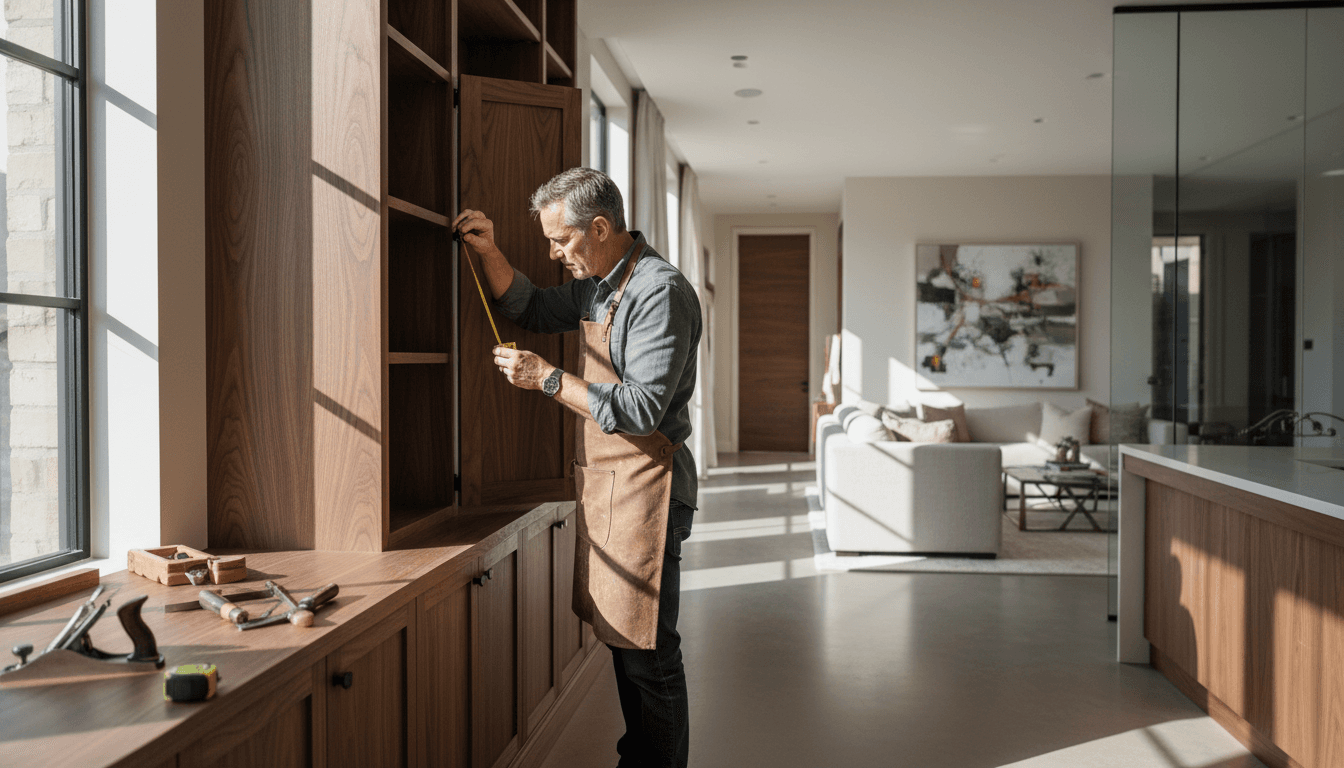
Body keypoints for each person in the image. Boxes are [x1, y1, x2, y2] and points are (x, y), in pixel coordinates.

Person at [453, 167, 700, 768]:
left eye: (562, 241)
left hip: (652, 489)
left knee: (650, 652)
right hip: (615, 484)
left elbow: (641, 410)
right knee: (623, 642)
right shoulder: (599, 281)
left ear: (600, 226)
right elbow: (531, 307)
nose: (555, 253)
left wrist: (545, 378)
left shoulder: (657, 291)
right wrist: (490, 253)